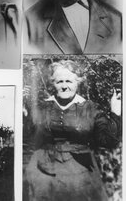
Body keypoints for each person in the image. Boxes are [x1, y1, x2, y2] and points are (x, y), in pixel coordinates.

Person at [23, 60, 121, 201]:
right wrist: (25, 113)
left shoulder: (90, 109)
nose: (64, 86)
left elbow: (108, 141)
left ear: (77, 83)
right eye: (59, 82)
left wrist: (115, 113)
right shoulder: (42, 107)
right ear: (53, 84)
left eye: (69, 81)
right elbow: (28, 137)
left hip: (81, 175)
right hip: (43, 174)